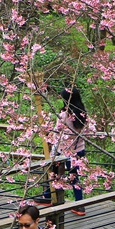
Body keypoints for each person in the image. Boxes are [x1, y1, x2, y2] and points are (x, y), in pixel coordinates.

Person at [41, 87, 88, 215]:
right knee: (74, 177)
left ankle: (48, 196)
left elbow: (58, 133)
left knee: (56, 173)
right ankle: (79, 204)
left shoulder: (64, 115)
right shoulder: (83, 114)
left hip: (65, 150)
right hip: (79, 150)